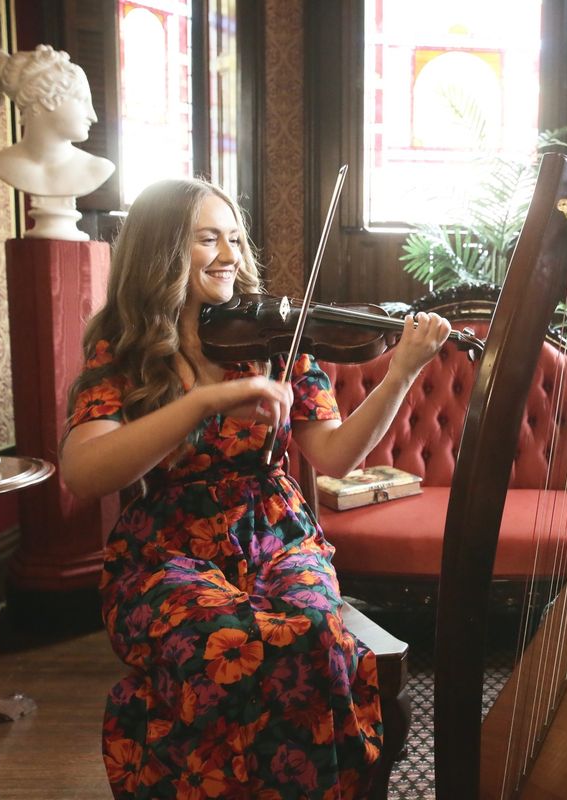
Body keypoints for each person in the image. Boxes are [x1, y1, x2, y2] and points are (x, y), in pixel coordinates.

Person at [59, 177, 451, 799]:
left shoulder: (274, 340)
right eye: (208, 238)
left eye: (236, 239)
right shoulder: (127, 351)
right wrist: (203, 403)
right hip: (166, 548)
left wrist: (401, 372)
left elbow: (336, 457)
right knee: (224, 645)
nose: (230, 255)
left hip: (277, 533)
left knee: (316, 637)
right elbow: (84, 473)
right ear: (161, 251)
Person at [0, 45, 115, 198]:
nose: (93, 116)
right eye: (82, 100)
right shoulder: (2, 163)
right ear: (47, 100)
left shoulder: (97, 168)